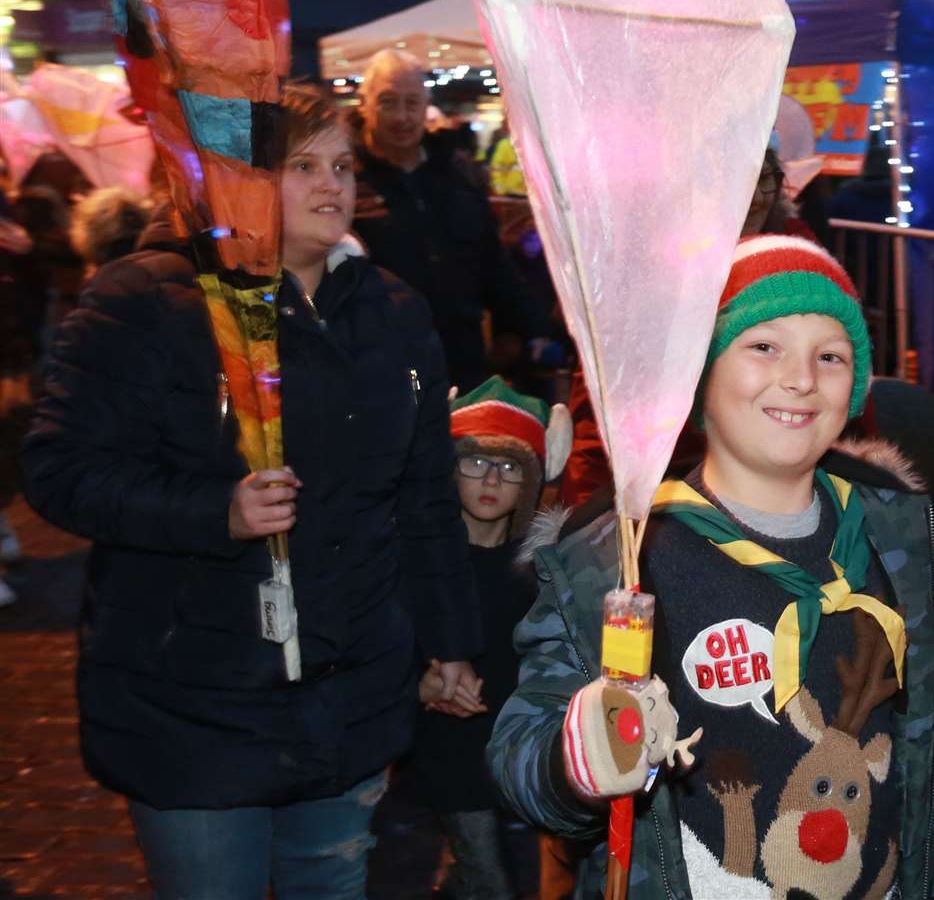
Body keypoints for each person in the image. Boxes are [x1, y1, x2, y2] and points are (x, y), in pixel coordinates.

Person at [22, 85, 485, 898]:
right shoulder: (144, 301)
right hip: (194, 700)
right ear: (234, 178)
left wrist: (448, 641)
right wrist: (214, 511)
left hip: (348, 691)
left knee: (330, 881)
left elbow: (423, 500)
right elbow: (60, 473)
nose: (331, 184)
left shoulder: (393, 312)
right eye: (300, 165)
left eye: (341, 164)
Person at [488, 235, 934, 898]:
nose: (800, 378)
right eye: (763, 345)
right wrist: (574, 761)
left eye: (830, 356)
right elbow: (520, 746)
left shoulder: (892, 537)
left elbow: (925, 759)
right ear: (700, 374)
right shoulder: (621, 557)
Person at [404, 377, 567, 900]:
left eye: (511, 466)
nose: (490, 478)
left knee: (506, 875)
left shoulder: (541, 569)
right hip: (450, 754)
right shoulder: (422, 564)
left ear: (533, 479)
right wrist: (420, 685)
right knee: (491, 879)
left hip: (520, 754)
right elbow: (382, 644)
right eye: (473, 461)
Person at [351, 49, 542, 392]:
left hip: (462, 360)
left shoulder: (457, 176)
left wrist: (519, 330)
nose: (402, 116)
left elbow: (492, 261)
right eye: (388, 102)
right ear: (364, 105)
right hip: (378, 367)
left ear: (426, 107)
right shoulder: (346, 182)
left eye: (412, 103)